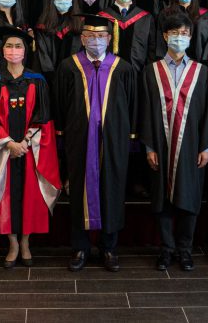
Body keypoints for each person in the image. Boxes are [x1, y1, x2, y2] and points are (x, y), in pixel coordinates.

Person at [55, 14, 138, 273]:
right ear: (82, 39)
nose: (96, 40)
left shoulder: (122, 68)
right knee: (79, 189)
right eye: (90, 36)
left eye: (101, 36)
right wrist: (61, 137)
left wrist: (130, 140)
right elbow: (60, 105)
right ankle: (80, 247)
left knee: (111, 190)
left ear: (110, 39)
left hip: (113, 143)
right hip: (78, 141)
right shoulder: (69, 67)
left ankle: (109, 248)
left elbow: (132, 106)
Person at [139, 12, 208, 272]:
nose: (179, 38)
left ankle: (185, 250)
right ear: (165, 36)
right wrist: (149, 146)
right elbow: (145, 110)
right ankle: (166, 249)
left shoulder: (202, 72)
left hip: (192, 145)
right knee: (162, 199)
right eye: (174, 33)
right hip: (160, 145)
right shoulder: (151, 71)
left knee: (189, 199)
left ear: (190, 37)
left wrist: (206, 146)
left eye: (184, 34)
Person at [0, 27, 60, 268]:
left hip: (30, 149)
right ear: (3, 51)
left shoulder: (38, 81)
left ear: (26, 50)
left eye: (18, 46)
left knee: (29, 196)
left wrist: (24, 143)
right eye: (10, 46)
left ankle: (25, 242)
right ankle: (12, 243)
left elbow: (44, 117)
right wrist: (9, 143)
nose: (14, 50)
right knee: (6, 196)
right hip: (3, 151)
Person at [98, 0, 155, 71]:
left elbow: (151, 51)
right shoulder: (101, 17)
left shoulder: (146, 18)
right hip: (108, 75)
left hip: (138, 76)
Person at [32, 0, 83, 87]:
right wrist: (53, 78)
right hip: (49, 81)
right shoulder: (43, 26)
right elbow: (43, 56)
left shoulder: (80, 24)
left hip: (75, 80)